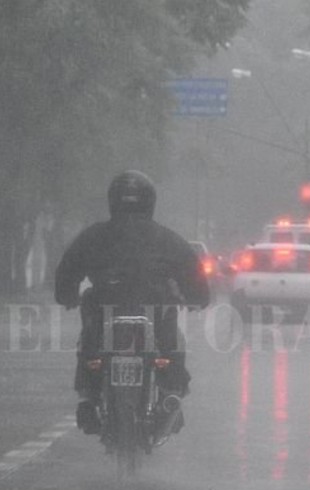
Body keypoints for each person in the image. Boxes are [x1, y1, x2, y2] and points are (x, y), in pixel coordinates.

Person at [54, 170, 210, 435]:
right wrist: (197, 297)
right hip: (154, 307)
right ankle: (171, 391)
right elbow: (192, 272)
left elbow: (68, 269)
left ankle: (89, 396)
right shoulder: (167, 238)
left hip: (104, 306)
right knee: (171, 343)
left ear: (113, 200)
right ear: (150, 201)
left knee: (90, 342)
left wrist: (66, 295)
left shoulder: (93, 236)